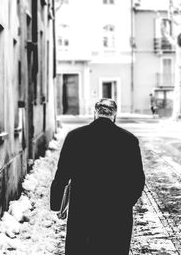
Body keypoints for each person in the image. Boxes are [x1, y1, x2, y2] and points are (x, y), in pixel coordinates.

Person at [50, 98, 145, 255]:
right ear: (114, 115)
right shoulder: (128, 140)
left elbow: (62, 173)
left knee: (82, 248)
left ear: (95, 114)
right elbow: (137, 179)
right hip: (117, 210)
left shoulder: (75, 137)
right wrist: (127, 201)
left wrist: (57, 204)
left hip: (83, 207)